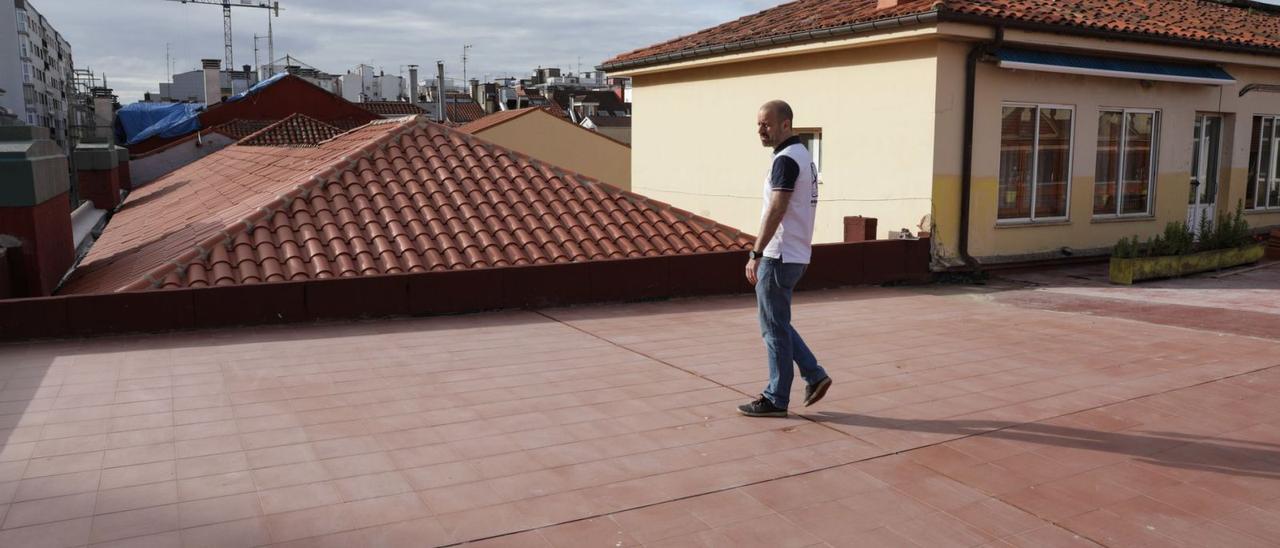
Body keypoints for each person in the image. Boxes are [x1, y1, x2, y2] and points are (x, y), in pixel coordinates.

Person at [737, 100, 832, 418]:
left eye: (766, 123)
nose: (760, 130)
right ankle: (815, 375)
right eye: (758, 124)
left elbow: (776, 208)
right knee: (777, 322)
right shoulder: (802, 156)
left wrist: (756, 252)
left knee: (772, 327)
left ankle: (776, 397)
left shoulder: (786, 160)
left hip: (778, 255)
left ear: (785, 125)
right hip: (796, 252)